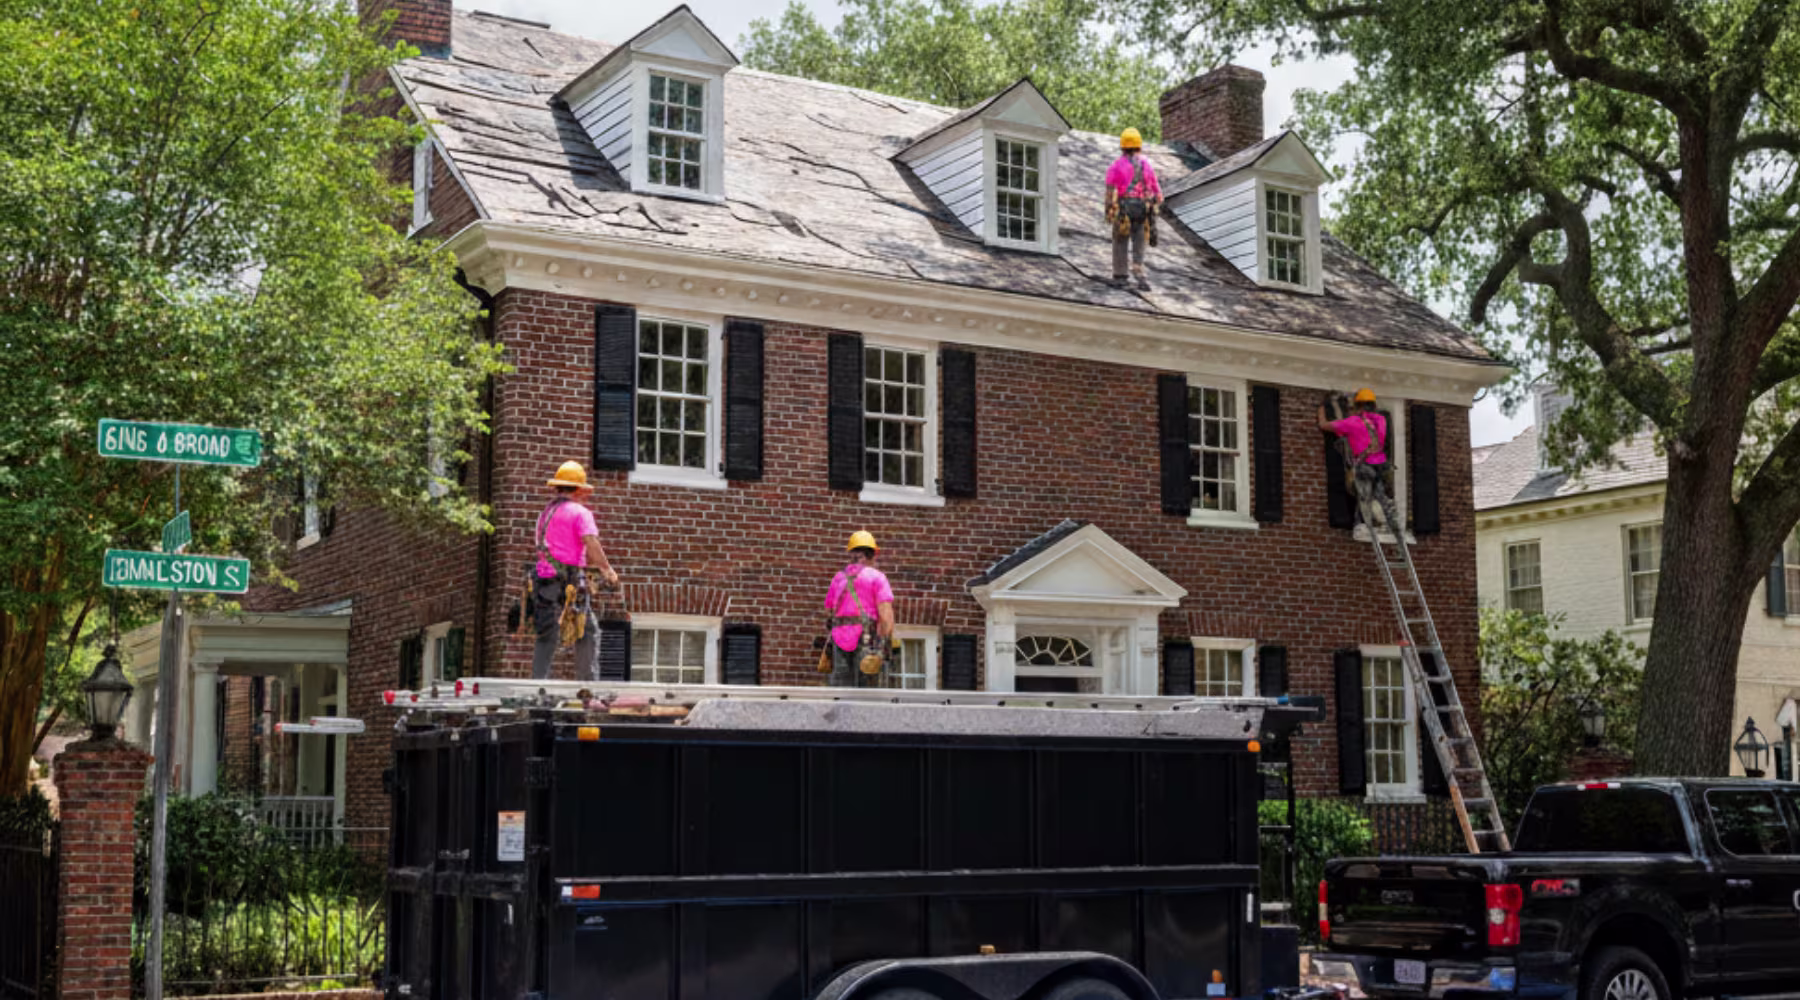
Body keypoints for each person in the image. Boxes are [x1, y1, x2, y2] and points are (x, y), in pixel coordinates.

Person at [532, 461, 620, 681]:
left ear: (557, 488)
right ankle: (587, 689)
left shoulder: (545, 514)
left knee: (546, 635)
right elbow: (591, 542)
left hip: (543, 580)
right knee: (586, 631)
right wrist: (607, 570)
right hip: (568, 580)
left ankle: (536, 687)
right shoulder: (580, 513)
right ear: (579, 489)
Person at [823, 531, 895, 688]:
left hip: (839, 641)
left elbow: (829, 612)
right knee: (866, 694)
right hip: (866, 641)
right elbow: (886, 618)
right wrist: (883, 648)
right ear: (873, 554)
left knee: (840, 692)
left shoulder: (838, 577)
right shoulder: (877, 577)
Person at [1318, 388, 1391, 528]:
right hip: (1381, 465)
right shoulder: (1381, 420)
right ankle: (1381, 520)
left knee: (1362, 496)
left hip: (1364, 466)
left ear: (1357, 406)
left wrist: (1322, 407)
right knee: (1377, 493)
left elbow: (1324, 425)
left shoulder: (1352, 423)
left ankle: (1363, 523)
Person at [1104, 127, 1163, 291]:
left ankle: (1120, 275)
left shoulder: (1116, 165)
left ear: (1122, 146)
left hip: (1125, 207)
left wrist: (1109, 209)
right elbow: (1158, 193)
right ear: (1139, 146)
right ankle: (1138, 270)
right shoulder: (1147, 165)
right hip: (1143, 207)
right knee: (1140, 239)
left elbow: (1110, 190)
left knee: (1120, 239)